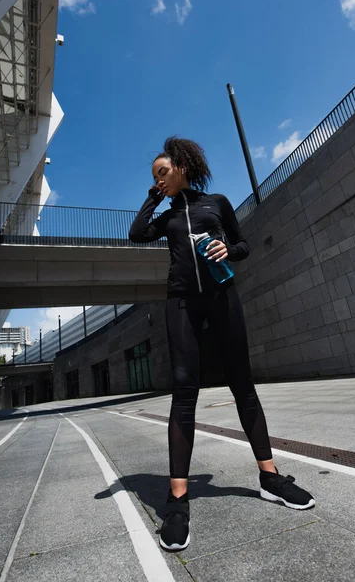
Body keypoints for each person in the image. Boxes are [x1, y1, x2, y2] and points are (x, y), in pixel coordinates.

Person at [129, 137, 315, 552]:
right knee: (183, 390)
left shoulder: (217, 202)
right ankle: (177, 499)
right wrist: (152, 198)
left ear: (182, 166)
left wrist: (227, 248)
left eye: (163, 172)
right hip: (181, 302)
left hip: (222, 295)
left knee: (242, 383)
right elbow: (137, 233)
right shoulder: (168, 215)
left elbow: (244, 244)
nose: (159, 179)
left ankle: (270, 477)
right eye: (154, 176)